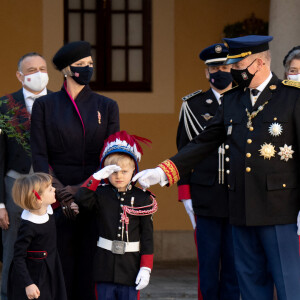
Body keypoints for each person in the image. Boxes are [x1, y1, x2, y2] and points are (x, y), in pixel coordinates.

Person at [133, 35, 300, 300]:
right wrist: (164, 171)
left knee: (289, 284)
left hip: (279, 209)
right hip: (241, 209)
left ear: (258, 63)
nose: (233, 70)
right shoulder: (233, 100)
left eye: (237, 64)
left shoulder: (292, 97)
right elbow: (203, 142)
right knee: (250, 284)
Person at [30, 41, 120, 300]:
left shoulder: (107, 105)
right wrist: (62, 194)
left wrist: (81, 191)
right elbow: (39, 155)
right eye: (81, 65)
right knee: (60, 267)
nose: (87, 69)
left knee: (90, 268)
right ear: (67, 70)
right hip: (56, 197)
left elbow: (110, 158)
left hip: (94, 194)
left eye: (90, 64)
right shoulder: (45, 106)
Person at [177, 43, 239, 300]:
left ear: (233, 68)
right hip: (205, 195)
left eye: (225, 66)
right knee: (209, 262)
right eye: (214, 67)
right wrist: (186, 195)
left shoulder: (245, 101)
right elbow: (183, 152)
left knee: (235, 264)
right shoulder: (192, 105)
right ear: (206, 72)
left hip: (239, 194)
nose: (220, 71)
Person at [74, 131, 157, 300]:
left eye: (124, 171)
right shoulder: (99, 194)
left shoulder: (142, 198)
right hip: (104, 267)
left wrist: (146, 268)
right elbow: (81, 200)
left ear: (134, 169)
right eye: (113, 172)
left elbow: (147, 237)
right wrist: (96, 178)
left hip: (131, 268)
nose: (119, 176)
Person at [0, 52, 50, 300]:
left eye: (42, 68)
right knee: (12, 244)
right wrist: (0, 203)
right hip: (15, 183)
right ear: (20, 76)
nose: (38, 74)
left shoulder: (59, 102)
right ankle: (8, 294)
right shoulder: (5, 105)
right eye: (31, 70)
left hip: (49, 184)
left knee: (49, 244)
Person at [8, 172, 77, 300]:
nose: (55, 189)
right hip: (35, 274)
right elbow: (18, 257)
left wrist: (70, 210)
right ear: (38, 197)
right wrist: (28, 283)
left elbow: (52, 225)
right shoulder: (28, 225)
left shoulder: (48, 211)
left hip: (51, 268)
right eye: (50, 189)